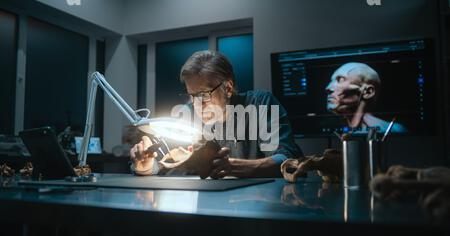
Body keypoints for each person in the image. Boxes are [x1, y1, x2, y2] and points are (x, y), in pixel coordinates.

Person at [130, 50, 302, 179]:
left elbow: (287, 158)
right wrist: (145, 166)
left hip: (260, 204)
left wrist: (235, 167)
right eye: (191, 95)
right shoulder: (188, 114)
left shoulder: (260, 104)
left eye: (204, 95)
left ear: (227, 88)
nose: (197, 104)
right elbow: (162, 163)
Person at [326, 62, 407, 133]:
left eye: (340, 79)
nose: (328, 88)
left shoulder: (394, 130)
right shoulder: (335, 130)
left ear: (368, 92)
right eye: (331, 81)